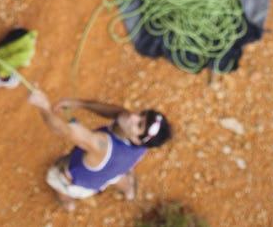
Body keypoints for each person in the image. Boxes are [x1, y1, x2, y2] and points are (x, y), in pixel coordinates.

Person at [28, 88, 171, 210]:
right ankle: (129, 189)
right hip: (112, 171)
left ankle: (68, 203)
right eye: (141, 114)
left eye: (139, 124)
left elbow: (62, 130)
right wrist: (79, 103)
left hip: (79, 183)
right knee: (115, 175)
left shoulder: (101, 144)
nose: (133, 116)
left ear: (136, 139)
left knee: (57, 179)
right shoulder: (143, 145)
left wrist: (44, 107)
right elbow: (116, 112)